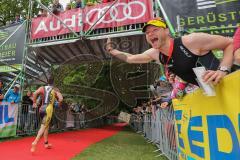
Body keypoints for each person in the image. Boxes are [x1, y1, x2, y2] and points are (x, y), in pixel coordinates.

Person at [106, 17, 234, 86]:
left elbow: (229, 43)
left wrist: (222, 70)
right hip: (213, 90)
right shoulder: (155, 54)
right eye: (147, 32)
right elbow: (130, 58)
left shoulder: (190, 41)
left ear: (166, 31)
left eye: (155, 30)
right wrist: (113, 51)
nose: (150, 34)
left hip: (230, 81)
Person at [30, 76, 63, 153]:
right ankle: (34, 142)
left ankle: (46, 143)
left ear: (47, 82)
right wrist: (59, 103)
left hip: (41, 108)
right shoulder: (55, 89)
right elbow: (61, 98)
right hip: (49, 109)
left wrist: (34, 102)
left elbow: (34, 93)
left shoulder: (42, 88)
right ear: (53, 82)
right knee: (43, 126)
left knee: (46, 126)